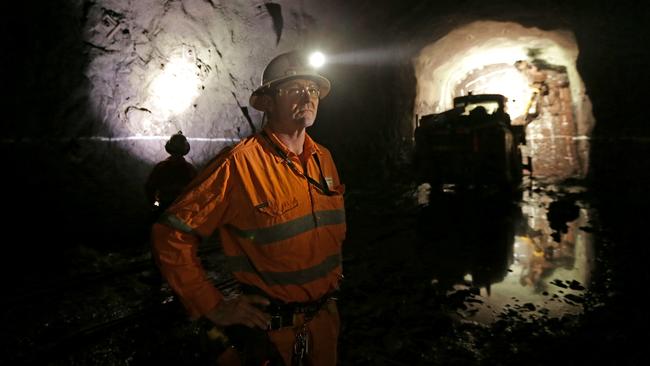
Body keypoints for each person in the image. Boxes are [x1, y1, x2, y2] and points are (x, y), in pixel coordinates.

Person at [151, 50, 346, 366]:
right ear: (267, 102)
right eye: (293, 88)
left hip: (324, 324)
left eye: (312, 89)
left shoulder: (323, 158)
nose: (307, 95)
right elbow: (170, 234)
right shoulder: (238, 165)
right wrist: (213, 305)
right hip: (270, 333)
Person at [145, 131, 198, 221]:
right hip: (181, 212)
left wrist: (155, 204)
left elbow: (150, 188)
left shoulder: (161, 167)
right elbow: (197, 190)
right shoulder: (190, 169)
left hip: (165, 209)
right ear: (185, 150)